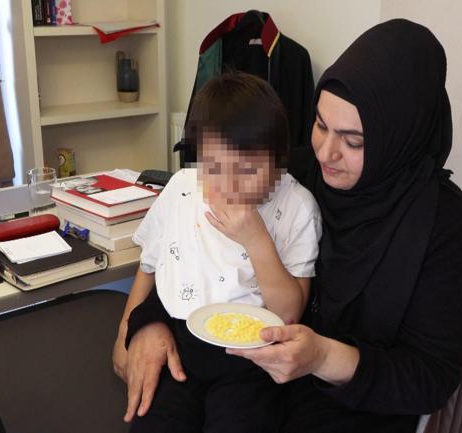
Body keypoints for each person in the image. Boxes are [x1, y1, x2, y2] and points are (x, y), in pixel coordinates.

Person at [121, 18, 462, 433]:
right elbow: (199, 253)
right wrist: (145, 323)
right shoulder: (288, 174)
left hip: (349, 407)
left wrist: (324, 358)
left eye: (354, 142)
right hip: (246, 374)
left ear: (400, 137)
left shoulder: (451, 234)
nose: (326, 153)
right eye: (320, 124)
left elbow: (428, 379)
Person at [112, 72, 322, 432]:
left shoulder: (298, 207)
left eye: (247, 169)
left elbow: (289, 313)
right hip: (181, 347)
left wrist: (256, 239)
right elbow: (149, 267)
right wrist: (123, 332)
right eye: (214, 167)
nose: (229, 184)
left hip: (252, 361)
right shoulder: (182, 189)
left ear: (278, 159)